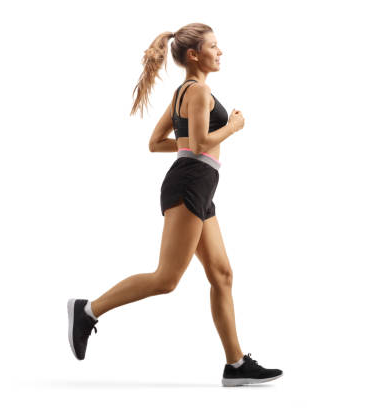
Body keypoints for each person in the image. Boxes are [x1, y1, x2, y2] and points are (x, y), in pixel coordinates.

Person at [67, 23, 282, 386]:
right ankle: (87, 311)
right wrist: (233, 126)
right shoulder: (199, 92)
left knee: (222, 275)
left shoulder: (182, 92)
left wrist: (196, 143)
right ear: (194, 55)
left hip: (197, 186)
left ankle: (235, 364)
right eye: (214, 46)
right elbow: (198, 145)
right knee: (166, 279)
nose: (220, 51)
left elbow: (157, 142)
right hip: (189, 185)